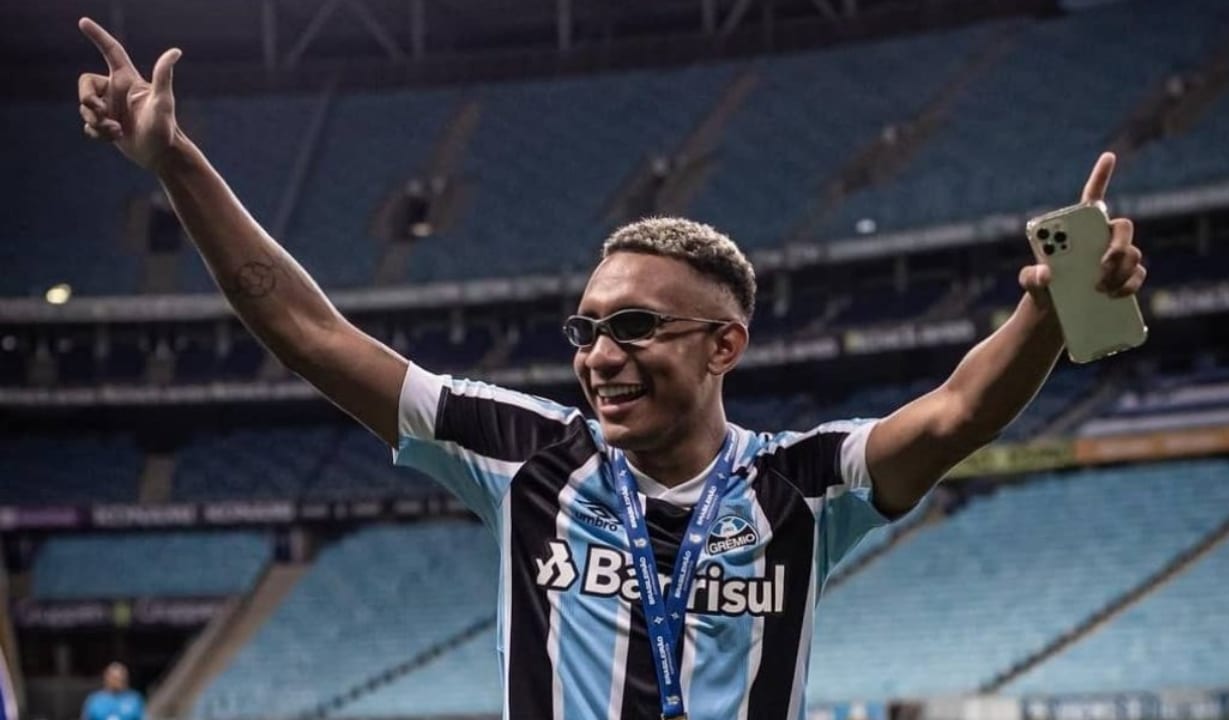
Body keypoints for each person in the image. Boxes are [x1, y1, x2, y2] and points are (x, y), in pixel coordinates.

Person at [75, 18, 1147, 719]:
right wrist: (179, 163)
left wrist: (1052, 314)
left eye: (633, 327)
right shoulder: (516, 449)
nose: (597, 355)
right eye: (583, 329)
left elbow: (958, 410)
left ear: (723, 344)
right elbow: (308, 331)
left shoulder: (802, 485)